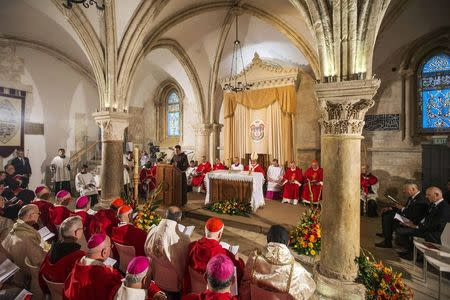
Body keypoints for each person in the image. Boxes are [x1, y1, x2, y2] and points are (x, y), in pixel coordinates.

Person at [239, 225, 316, 299]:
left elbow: (244, 285)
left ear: (268, 240)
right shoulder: (297, 270)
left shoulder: (254, 258)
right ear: (288, 242)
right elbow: (308, 289)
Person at [183, 217, 244, 294]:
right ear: (220, 234)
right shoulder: (225, 256)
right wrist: (238, 261)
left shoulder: (192, 247)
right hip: (213, 295)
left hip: (193, 291)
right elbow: (238, 273)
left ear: (205, 232)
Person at [145, 206, 190, 296]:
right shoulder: (182, 239)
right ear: (179, 219)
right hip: (174, 285)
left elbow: (147, 254)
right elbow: (183, 264)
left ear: (165, 215)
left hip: (157, 278)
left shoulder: (152, 231)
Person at [396, 187, 450, 260]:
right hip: (426, 228)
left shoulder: (444, 208)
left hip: (434, 233)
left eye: (429, 195)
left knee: (401, 231)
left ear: (437, 194)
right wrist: (413, 223)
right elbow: (425, 218)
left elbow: (437, 225)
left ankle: (413, 254)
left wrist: (417, 227)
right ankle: (411, 251)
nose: (426, 196)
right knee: (401, 228)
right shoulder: (433, 204)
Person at [63, 234, 123, 300]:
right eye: (111, 246)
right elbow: (121, 291)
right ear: (104, 252)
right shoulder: (106, 276)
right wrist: (112, 272)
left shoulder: (76, 266)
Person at [1, 204, 46, 288]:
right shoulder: (27, 236)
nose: (39, 215)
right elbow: (38, 261)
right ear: (31, 215)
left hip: (11, 272)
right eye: (38, 213)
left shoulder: (11, 229)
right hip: (24, 279)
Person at [39, 216, 85, 294]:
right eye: (82, 228)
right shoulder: (79, 256)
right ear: (76, 232)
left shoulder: (52, 249)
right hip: (66, 292)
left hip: (52, 291)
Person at [375, 183, 428, 248]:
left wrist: (401, 208)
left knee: (389, 216)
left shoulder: (421, 199)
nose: (404, 191)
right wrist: (391, 208)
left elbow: (413, 214)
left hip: (412, 221)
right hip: (407, 217)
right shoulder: (412, 197)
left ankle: (387, 242)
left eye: (406, 190)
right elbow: (406, 207)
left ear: (413, 189)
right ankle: (385, 234)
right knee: (387, 212)